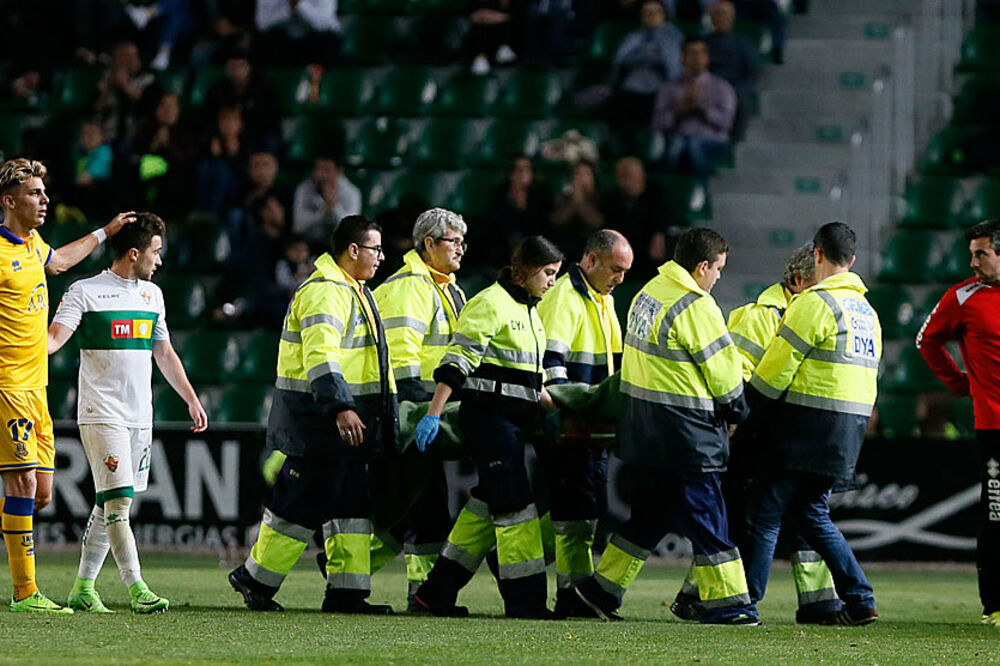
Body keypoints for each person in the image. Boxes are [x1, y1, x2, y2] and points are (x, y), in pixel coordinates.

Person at [571, 227, 756, 624]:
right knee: (709, 518)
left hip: (644, 430)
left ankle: (598, 592)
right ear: (702, 266)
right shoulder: (696, 306)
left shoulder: (648, 293)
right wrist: (738, 411)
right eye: (718, 269)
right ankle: (730, 605)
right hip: (686, 433)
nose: (718, 277)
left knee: (649, 517)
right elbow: (724, 375)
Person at [228, 215, 398, 614]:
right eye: (375, 249)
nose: (381, 257)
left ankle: (347, 593)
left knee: (350, 506)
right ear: (353, 250)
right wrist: (340, 406)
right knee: (299, 502)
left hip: (345, 418)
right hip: (320, 419)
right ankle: (253, 578)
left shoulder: (352, 290)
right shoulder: (325, 292)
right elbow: (321, 357)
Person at [669, 243, 844, 624]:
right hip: (753, 438)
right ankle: (700, 595)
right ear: (798, 280)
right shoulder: (759, 317)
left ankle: (819, 603)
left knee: (797, 518)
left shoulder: (808, 312)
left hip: (786, 437)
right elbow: (737, 380)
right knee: (741, 521)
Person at [47, 213, 208, 614]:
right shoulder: (85, 291)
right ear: (134, 253)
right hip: (101, 412)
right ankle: (138, 588)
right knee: (119, 502)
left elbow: (164, 352)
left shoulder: (152, 296)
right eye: (156, 252)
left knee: (110, 503)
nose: (160, 260)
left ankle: (83, 587)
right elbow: (52, 341)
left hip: (140, 416)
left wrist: (190, 398)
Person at [0, 157, 135, 613]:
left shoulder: (33, 245)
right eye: (35, 194)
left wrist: (105, 232)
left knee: (40, 494)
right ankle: (25, 593)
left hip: (36, 388)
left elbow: (59, 262)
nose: (45, 200)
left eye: (44, 192)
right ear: (9, 201)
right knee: (21, 486)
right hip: (7, 387)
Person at [412, 236, 563, 620]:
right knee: (515, 508)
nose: (552, 281)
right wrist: (434, 413)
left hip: (509, 425)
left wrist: (554, 409)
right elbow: (456, 362)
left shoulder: (529, 312)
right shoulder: (490, 303)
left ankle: (435, 593)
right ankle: (526, 603)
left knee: (484, 507)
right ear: (524, 270)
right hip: (489, 421)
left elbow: (528, 378)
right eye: (548, 273)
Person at [743, 222, 880, 626]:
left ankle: (744, 602)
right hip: (849, 433)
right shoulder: (867, 313)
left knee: (764, 513)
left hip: (806, 427)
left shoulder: (813, 303)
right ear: (852, 260)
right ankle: (860, 598)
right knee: (812, 514)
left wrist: (746, 416)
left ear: (817, 253)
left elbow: (773, 374)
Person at [371, 208, 468, 610]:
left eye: (462, 242)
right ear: (429, 244)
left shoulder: (446, 288)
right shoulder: (411, 287)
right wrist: (420, 412)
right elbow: (401, 357)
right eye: (453, 241)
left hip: (430, 411)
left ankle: (419, 591)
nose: (460, 249)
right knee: (421, 506)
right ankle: (421, 593)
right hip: (413, 411)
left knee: (419, 506)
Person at [535, 229, 632, 617]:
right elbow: (549, 364)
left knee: (579, 509)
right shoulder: (565, 297)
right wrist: (565, 413)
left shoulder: (601, 298)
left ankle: (551, 575)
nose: (620, 278)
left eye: (625, 272)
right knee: (577, 511)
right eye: (615, 269)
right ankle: (572, 596)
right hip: (571, 424)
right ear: (590, 260)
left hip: (590, 425)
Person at [916, 218, 1000, 627]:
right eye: (972, 254)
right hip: (994, 427)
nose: (973, 262)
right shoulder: (963, 296)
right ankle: (996, 604)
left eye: (981, 254)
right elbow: (926, 341)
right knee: (997, 514)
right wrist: (959, 383)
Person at [653, 37, 737, 176]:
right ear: (683, 58)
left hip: (712, 141)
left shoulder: (722, 87)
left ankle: (701, 184)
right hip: (678, 138)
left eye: (701, 53)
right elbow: (658, 122)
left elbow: (726, 123)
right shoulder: (668, 88)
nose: (697, 58)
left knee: (693, 145)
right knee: (676, 146)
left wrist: (701, 109)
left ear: (707, 57)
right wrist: (680, 112)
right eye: (692, 53)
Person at [608, 0, 685, 128]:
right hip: (631, 87)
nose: (651, 16)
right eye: (647, 13)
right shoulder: (634, 36)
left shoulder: (673, 35)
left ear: (663, 14)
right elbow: (620, 61)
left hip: (659, 88)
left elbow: (674, 66)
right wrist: (644, 58)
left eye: (655, 12)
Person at [601, 157, 668, 280]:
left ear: (641, 175)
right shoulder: (613, 198)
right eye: (621, 177)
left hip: (647, 250)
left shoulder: (656, 193)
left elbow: (661, 221)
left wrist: (659, 235)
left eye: (629, 176)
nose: (625, 181)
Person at [482, 156, 552, 270]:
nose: (522, 173)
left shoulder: (541, 193)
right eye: (517, 169)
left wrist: (523, 209)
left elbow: (542, 225)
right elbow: (495, 224)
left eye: (526, 169)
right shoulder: (500, 193)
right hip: (504, 247)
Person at [703, 0, 759, 141]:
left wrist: (730, 89)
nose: (722, 18)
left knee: (743, 101)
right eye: (718, 14)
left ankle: (735, 143)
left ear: (732, 17)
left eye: (725, 14)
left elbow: (751, 72)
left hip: (736, 87)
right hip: (708, 86)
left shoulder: (744, 44)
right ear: (712, 18)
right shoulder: (702, 43)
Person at [292, 154, 362, 250]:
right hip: (309, 245)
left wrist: (334, 208)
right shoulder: (304, 189)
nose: (321, 175)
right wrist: (323, 212)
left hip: (340, 247)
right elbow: (298, 226)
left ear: (339, 172)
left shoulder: (352, 193)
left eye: (327, 170)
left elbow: (352, 231)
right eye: (318, 169)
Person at [548, 161, 605, 261]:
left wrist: (580, 201)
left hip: (594, 251)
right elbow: (556, 220)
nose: (580, 178)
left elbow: (597, 222)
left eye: (585, 174)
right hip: (565, 250)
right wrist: (573, 202)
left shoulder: (602, 198)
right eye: (577, 174)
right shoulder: (562, 199)